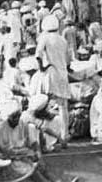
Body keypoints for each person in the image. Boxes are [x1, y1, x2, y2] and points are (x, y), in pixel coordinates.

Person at [35, 15, 72, 143]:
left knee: (44, 103)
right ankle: (64, 134)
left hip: (50, 73)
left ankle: (46, 136)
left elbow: (38, 55)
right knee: (63, 107)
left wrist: (41, 68)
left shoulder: (44, 38)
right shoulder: (62, 40)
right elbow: (68, 61)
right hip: (63, 74)